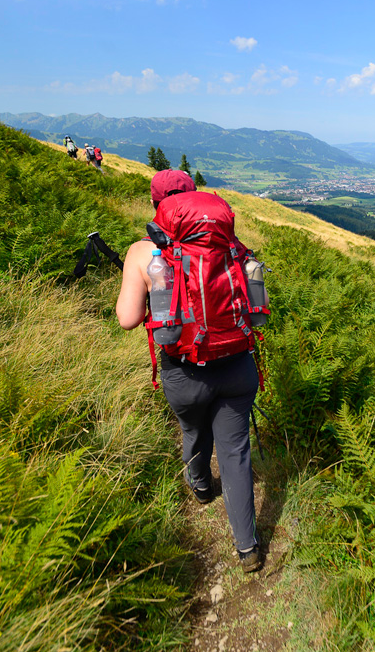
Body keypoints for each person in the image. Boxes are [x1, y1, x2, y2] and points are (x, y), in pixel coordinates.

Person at [115, 170, 262, 573]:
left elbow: (128, 319)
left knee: (193, 430)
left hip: (183, 371)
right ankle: (248, 548)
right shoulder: (229, 244)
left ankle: (200, 486)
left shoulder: (142, 252)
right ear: (196, 199)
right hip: (237, 364)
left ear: (155, 205)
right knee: (235, 450)